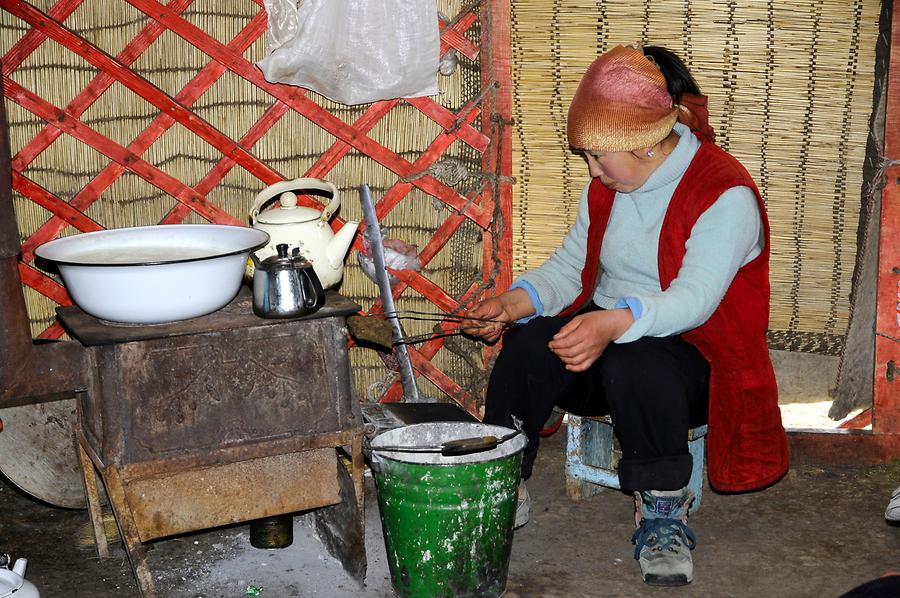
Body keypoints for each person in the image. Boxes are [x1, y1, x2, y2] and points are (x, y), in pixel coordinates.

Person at [463, 44, 789, 586]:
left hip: (695, 357)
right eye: (586, 156)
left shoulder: (723, 192)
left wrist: (613, 323)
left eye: (597, 156)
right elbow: (570, 269)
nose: (592, 170)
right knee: (526, 344)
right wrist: (512, 303)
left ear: (642, 140)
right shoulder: (607, 188)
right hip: (610, 340)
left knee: (638, 363)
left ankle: (663, 510)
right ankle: (503, 482)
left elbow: (696, 299)